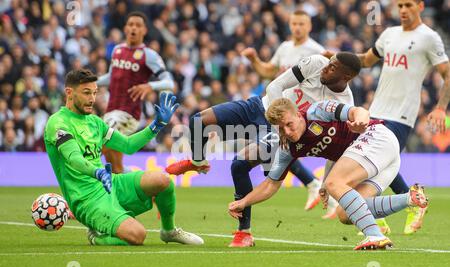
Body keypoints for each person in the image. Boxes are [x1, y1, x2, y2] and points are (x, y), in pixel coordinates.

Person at [167, 52, 359, 247]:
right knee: (199, 121)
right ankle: (198, 162)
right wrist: (277, 125)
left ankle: (244, 233)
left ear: (347, 77)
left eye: (333, 67)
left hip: (280, 130)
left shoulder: (344, 104)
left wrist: (326, 182)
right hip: (259, 107)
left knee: (239, 165)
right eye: (329, 62)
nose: (327, 67)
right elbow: (275, 86)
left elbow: (337, 148)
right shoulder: (317, 63)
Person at [228, 98, 428, 250]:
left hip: (377, 137)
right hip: (381, 159)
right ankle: (410, 199)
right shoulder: (287, 148)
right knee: (345, 214)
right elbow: (270, 185)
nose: (287, 132)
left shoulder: (317, 111)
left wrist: (359, 120)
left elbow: (358, 111)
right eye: (281, 129)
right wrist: (243, 202)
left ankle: (375, 236)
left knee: (334, 183)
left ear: (298, 114)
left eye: (289, 124)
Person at [44, 69, 203, 246]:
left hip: (110, 184)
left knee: (163, 180)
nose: (92, 99)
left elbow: (128, 145)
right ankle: (96, 236)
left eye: (95, 93)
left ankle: (169, 231)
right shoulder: (58, 123)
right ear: (69, 93)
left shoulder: (95, 122)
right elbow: (74, 159)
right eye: (86, 93)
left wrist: (157, 125)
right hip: (86, 199)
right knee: (137, 236)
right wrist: (97, 173)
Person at [347, 0, 449, 234]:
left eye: (408, 5)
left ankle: (381, 214)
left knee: (375, 163)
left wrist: (441, 107)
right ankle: (408, 202)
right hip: (376, 111)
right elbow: (365, 60)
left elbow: (447, 73)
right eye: (400, 5)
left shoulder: (428, 37)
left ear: (420, 7)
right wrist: (339, 57)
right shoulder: (389, 34)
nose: (403, 10)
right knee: (377, 164)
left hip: (401, 115)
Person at [241, 10, 332, 217]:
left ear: (309, 26)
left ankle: (320, 186)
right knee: (277, 148)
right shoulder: (284, 47)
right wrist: (254, 59)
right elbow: (268, 72)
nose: (297, 27)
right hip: (279, 111)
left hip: (299, 115)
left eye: (301, 23)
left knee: (277, 147)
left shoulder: (316, 51)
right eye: (294, 23)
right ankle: (314, 184)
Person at [97, 11, 175, 173]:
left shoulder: (149, 55)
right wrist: (91, 82)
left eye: (138, 25)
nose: (133, 28)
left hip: (128, 113)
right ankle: (143, 182)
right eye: (131, 24)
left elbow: (169, 82)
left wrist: (150, 86)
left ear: (144, 31)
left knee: (101, 142)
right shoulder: (117, 50)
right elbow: (112, 77)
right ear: (125, 28)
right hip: (111, 111)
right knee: (114, 164)